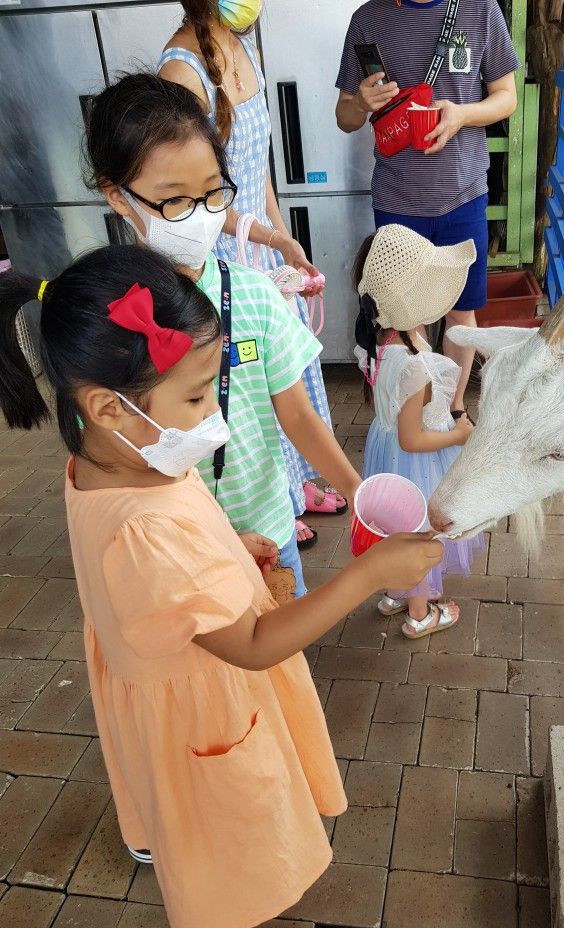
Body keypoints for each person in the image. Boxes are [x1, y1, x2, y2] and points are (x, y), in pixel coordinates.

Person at [0, 244, 441, 928]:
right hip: (195, 709)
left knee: (207, 837)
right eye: (200, 397)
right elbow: (254, 643)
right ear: (110, 407)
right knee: (203, 855)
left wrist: (228, 550)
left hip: (166, 682)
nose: (216, 417)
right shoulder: (146, 517)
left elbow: (155, 578)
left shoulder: (110, 466)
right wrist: (366, 572)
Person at [84, 73, 361, 601]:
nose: (201, 214)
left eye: (213, 193)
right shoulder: (106, 319)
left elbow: (297, 414)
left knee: (281, 654)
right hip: (176, 550)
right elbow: (107, 460)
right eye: (174, 201)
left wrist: (356, 489)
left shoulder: (256, 297)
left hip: (270, 531)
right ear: (118, 196)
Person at [159, 0, 344, 549]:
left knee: (284, 376)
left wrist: (283, 239)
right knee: (247, 389)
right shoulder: (181, 72)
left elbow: (256, 170)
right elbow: (198, 196)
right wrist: (269, 239)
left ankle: (297, 483)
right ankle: (272, 512)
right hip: (217, 255)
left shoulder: (242, 44)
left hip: (260, 248)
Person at [336, 0, 520, 415]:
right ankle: (418, 414)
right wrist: (362, 102)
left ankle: (451, 410)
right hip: (398, 202)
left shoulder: (480, 9)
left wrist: (463, 116)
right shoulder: (367, 19)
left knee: (461, 315)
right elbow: (345, 117)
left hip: (464, 195)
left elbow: (506, 97)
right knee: (405, 318)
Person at [352, 224, 483, 637]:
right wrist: (459, 436)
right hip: (415, 460)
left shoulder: (381, 339)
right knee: (420, 534)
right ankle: (420, 612)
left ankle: (394, 592)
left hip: (387, 453)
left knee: (394, 526)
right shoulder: (415, 365)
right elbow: (414, 438)